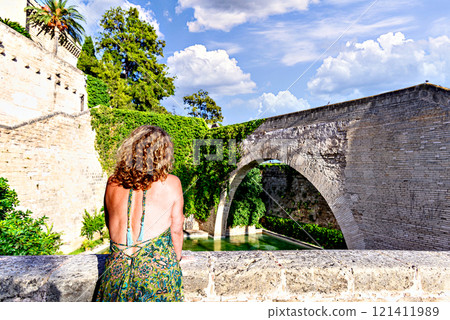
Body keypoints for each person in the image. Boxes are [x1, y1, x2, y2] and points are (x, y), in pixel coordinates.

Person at [95, 125, 184, 302]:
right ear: (163, 154)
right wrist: (177, 259)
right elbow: (176, 231)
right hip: (156, 276)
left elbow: (109, 221)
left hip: (116, 272)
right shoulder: (172, 183)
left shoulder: (113, 182)